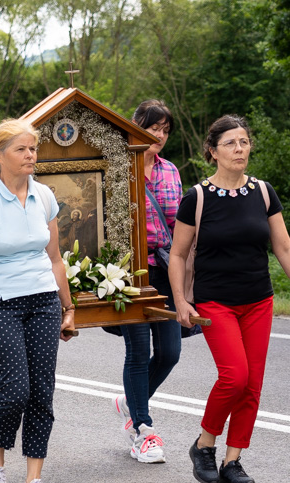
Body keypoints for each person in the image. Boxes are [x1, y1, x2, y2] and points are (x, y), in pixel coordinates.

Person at [0, 119, 75, 483]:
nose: (31, 156)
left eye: (33, 149)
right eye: (22, 149)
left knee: (43, 392)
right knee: (15, 390)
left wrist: (68, 307)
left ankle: (34, 481)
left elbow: (54, 258)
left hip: (42, 300)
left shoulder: (44, 196)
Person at [170, 115, 290, 483]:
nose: (240, 149)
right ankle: (205, 443)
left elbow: (283, 246)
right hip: (215, 302)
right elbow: (177, 254)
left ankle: (233, 459)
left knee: (252, 384)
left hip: (259, 300)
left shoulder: (264, 191)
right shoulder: (198, 197)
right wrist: (180, 302)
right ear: (213, 152)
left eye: (244, 142)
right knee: (234, 376)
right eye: (231, 143)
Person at [110, 100, 183, 464]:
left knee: (170, 353)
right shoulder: (116, 167)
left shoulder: (170, 172)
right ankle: (143, 429)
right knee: (138, 352)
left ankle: (130, 400)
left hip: (166, 272)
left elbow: (181, 228)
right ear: (135, 126)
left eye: (165, 130)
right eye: (153, 127)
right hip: (130, 274)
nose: (159, 135)